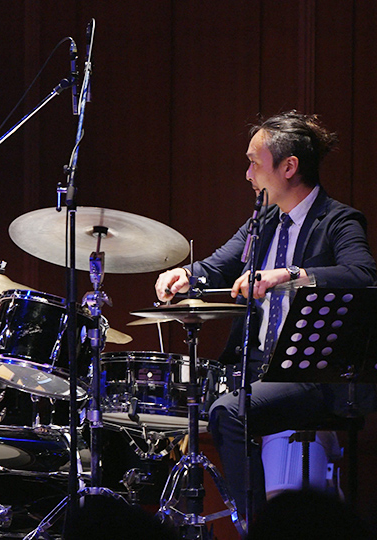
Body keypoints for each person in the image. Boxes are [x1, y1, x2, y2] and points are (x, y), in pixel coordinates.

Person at [154, 111, 377, 521]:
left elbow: (363, 275)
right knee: (171, 403)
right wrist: (184, 274)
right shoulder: (264, 220)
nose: (247, 174)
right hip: (254, 367)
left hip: (307, 371)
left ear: (288, 167)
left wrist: (290, 275)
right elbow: (217, 265)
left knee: (229, 411)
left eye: (255, 162)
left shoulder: (338, 220)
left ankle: (256, 526)